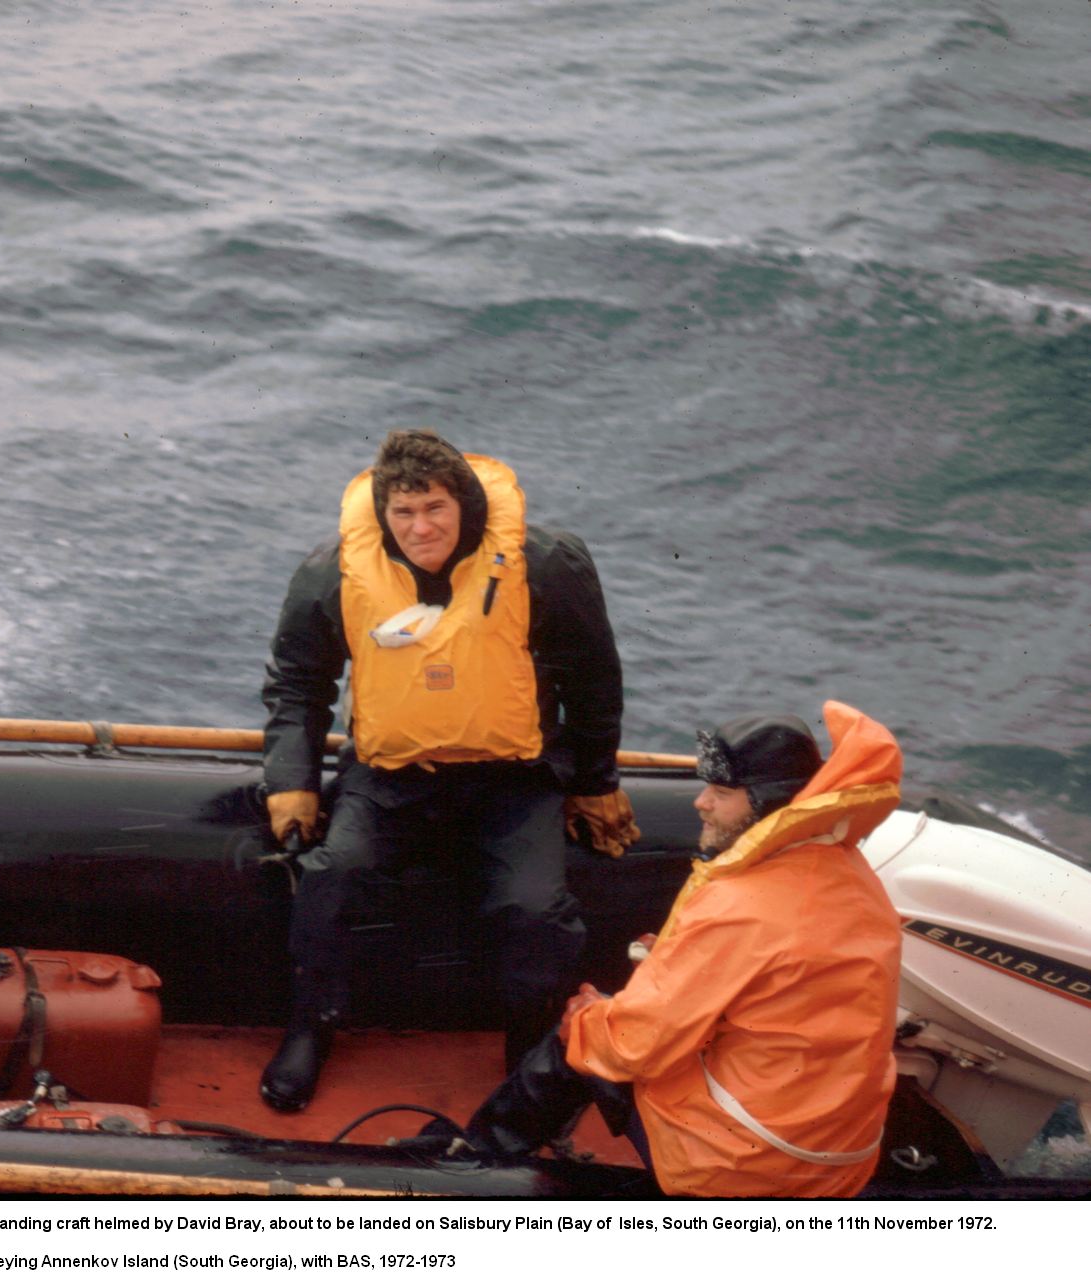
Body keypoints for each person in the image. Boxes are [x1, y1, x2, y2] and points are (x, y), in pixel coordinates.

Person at [258, 428, 637, 1111]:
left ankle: (529, 1057)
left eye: (433, 508)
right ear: (381, 514)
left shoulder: (544, 564)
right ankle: (310, 1027)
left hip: (514, 781)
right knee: (331, 875)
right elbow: (296, 683)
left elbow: (593, 679)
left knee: (532, 909)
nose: (419, 527)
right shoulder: (334, 570)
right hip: (388, 776)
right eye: (402, 513)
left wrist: (594, 781)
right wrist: (292, 779)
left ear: (463, 502)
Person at [455, 702, 905, 1198]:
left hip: (746, 1167)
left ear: (769, 803)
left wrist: (587, 1019)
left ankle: (466, 1164)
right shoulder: (853, 875)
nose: (701, 803)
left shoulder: (738, 907)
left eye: (722, 792)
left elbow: (634, 1046)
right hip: (835, 1159)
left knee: (579, 1035)